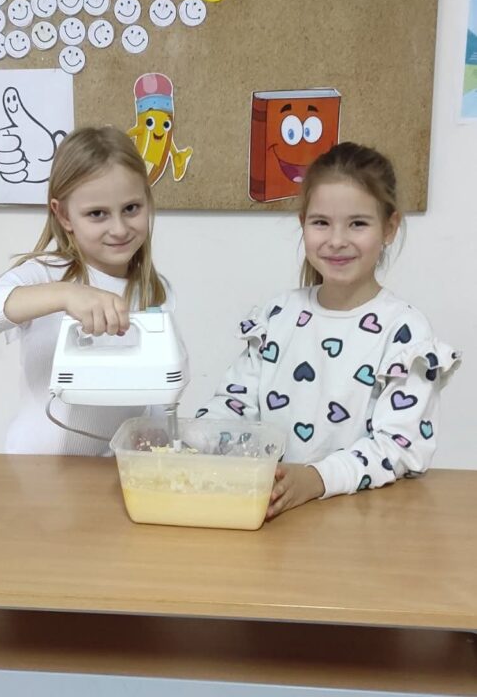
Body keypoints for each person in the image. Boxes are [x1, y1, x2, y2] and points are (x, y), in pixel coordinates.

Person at [196, 142, 460, 518]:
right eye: (321, 222)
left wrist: (315, 479)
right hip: (273, 516)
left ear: (389, 228)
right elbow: (234, 405)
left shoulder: (405, 333)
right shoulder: (277, 316)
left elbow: (397, 448)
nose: (336, 240)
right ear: (302, 223)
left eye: (358, 223)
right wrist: (196, 442)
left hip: (360, 523)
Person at [0, 126, 172, 456]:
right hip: (36, 473)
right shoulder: (45, 275)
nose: (119, 229)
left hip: (110, 472)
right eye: (97, 214)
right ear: (63, 215)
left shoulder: (154, 292)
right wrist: (64, 295)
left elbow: (158, 396)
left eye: (131, 208)